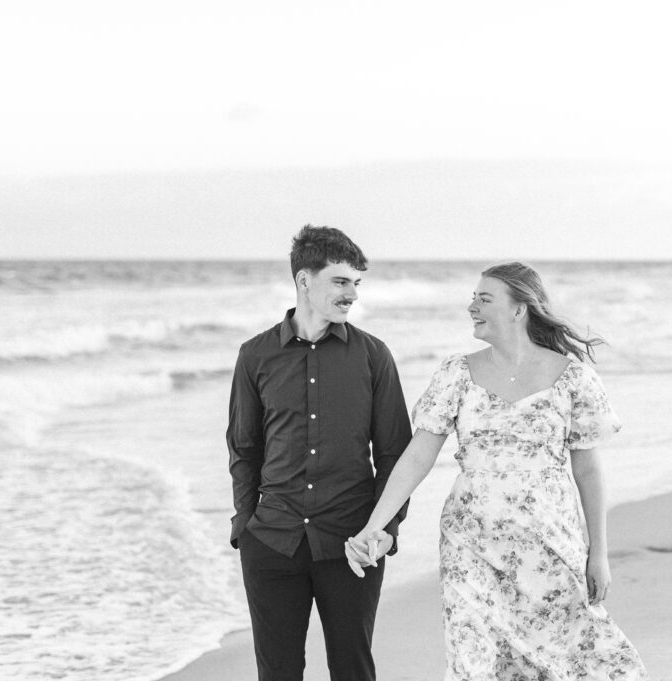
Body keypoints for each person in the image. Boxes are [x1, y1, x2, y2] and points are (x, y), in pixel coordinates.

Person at [345, 261, 648, 680]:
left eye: (484, 298)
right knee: (472, 663)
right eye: (473, 297)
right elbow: (417, 456)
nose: (472, 306)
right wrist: (374, 527)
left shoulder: (574, 379)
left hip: (549, 545)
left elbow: (589, 472)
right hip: (470, 544)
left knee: (565, 660)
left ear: (519, 308)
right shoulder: (457, 374)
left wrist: (599, 553)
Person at [227, 225, 412, 681]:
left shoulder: (373, 356)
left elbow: (394, 453)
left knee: (352, 670)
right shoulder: (255, 356)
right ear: (304, 281)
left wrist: (385, 527)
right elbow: (243, 449)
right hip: (272, 542)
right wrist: (246, 526)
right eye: (340, 281)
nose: (351, 294)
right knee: (278, 673)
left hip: (352, 544)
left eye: (356, 283)